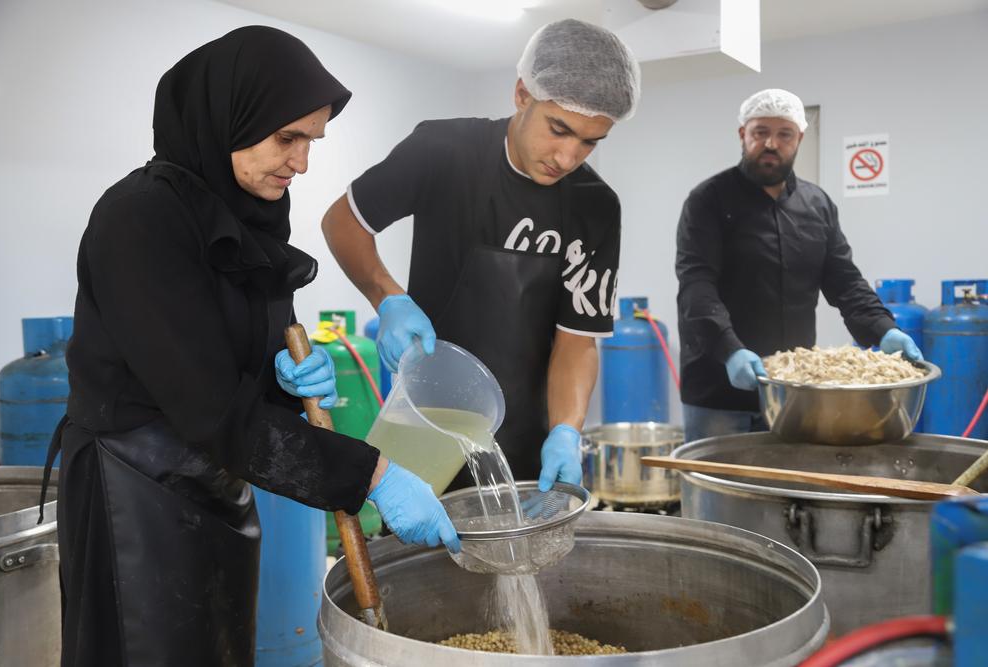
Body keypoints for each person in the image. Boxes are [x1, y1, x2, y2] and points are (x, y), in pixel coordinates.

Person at [48, 26, 458, 667]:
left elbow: (240, 360)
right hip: (134, 488)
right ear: (229, 115)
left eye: (311, 142)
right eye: (286, 138)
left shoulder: (250, 210)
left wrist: (280, 379)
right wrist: (375, 475)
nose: (300, 163)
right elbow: (205, 406)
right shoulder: (140, 218)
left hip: (217, 480)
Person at [322, 19, 640, 492]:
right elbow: (343, 221)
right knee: (417, 557)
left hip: (528, 444)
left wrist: (566, 431)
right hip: (425, 424)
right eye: (559, 129)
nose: (569, 156)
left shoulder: (596, 206)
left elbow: (576, 340)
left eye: (590, 141)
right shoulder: (442, 151)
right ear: (521, 94)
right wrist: (386, 296)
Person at [675, 88, 923, 443]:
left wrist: (883, 328)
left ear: (799, 138)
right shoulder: (708, 200)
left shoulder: (817, 204)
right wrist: (729, 348)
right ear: (742, 134)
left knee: (790, 490)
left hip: (795, 390)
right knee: (720, 490)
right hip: (718, 387)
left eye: (784, 134)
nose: (771, 143)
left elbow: (845, 280)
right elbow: (696, 285)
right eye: (760, 132)